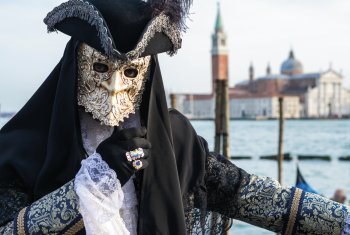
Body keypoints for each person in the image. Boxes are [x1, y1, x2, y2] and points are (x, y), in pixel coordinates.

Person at [0, 0, 349, 234]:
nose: (114, 85)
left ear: (148, 74)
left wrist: (343, 220)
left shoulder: (174, 139)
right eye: (102, 67)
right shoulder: (22, 148)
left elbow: (251, 195)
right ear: (76, 65)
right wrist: (94, 182)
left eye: (131, 72)